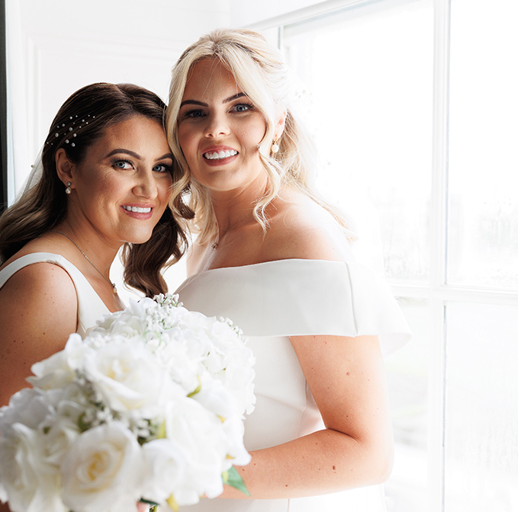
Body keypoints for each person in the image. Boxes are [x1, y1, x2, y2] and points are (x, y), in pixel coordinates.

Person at [0, 82, 188, 512]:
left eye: (162, 167)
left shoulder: (104, 282)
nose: (149, 188)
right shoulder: (48, 284)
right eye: (124, 164)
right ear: (67, 168)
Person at [166, 29, 410, 511]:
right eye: (196, 112)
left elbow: (367, 453)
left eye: (240, 107)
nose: (216, 129)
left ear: (277, 122)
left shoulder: (302, 238)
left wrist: (189, 477)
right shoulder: (208, 241)